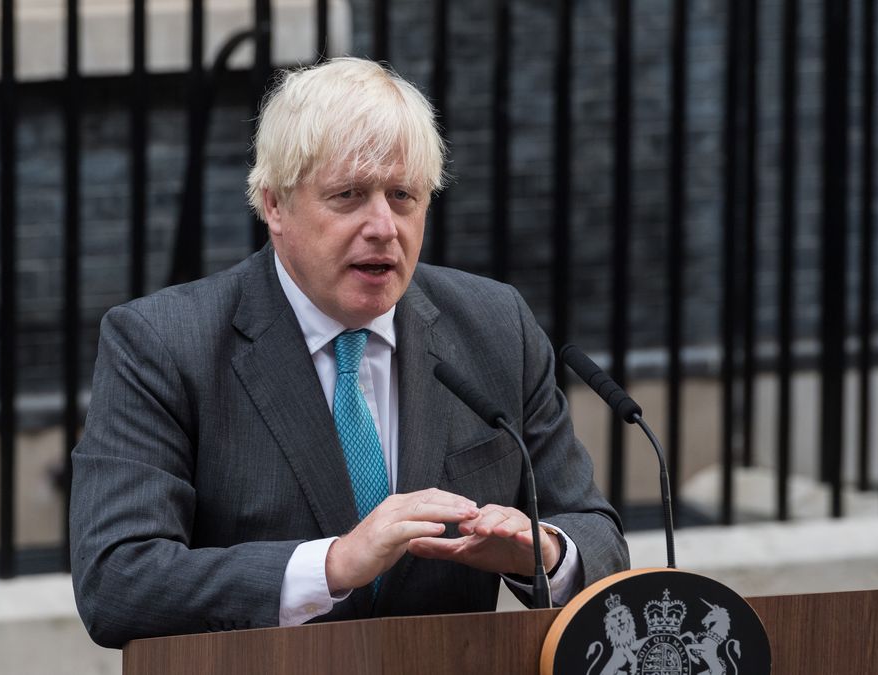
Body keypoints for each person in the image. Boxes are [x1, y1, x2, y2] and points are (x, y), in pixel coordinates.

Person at [70, 57, 628, 649]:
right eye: (348, 195)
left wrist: (540, 551)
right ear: (274, 205)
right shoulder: (162, 342)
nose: (384, 226)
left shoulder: (494, 325)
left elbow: (597, 538)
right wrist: (332, 565)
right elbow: (117, 581)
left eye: (403, 195)